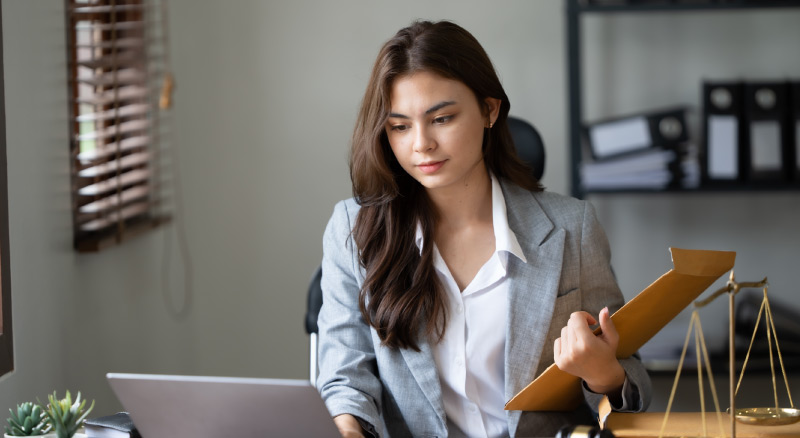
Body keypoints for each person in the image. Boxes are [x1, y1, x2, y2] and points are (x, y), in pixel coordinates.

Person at [316, 20, 651, 438]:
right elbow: (345, 376)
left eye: (442, 119)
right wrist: (350, 430)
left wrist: (605, 376)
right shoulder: (353, 229)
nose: (421, 144)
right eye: (400, 126)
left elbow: (633, 382)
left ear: (490, 110)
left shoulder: (571, 227)